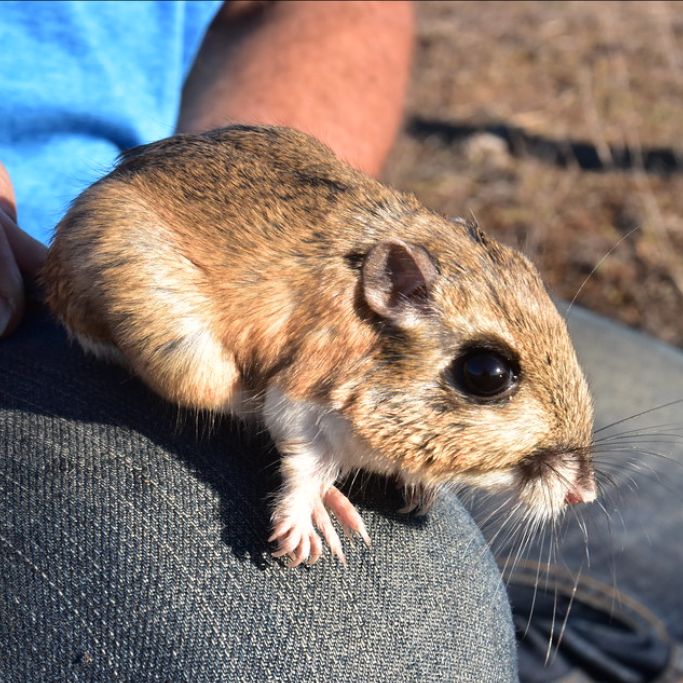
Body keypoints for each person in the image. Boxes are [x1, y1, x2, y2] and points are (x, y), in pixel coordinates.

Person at [0, 2, 519, 681]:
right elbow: (294, 396)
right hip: (66, 291)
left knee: (658, 510)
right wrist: (308, 473)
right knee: (391, 633)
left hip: (193, 197)